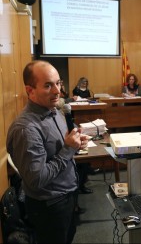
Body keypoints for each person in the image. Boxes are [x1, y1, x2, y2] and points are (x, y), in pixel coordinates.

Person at [6, 60, 89, 243]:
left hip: (67, 197)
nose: (57, 91)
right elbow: (36, 180)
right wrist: (68, 149)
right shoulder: (26, 129)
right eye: (48, 85)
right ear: (30, 90)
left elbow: (59, 151)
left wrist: (75, 144)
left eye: (58, 83)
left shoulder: (54, 111)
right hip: (50, 206)